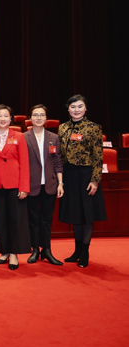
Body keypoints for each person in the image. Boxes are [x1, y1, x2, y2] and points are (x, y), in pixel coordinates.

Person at [58, 94, 106, 268]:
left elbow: (98, 156)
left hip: (86, 175)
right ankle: (77, 251)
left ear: (85, 108)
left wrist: (95, 180)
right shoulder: (63, 127)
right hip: (69, 175)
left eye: (80, 106)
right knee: (75, 214)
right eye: (73, 107)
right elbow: (59, 154)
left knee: (87, 215)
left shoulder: (93, 128)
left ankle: (85, 252)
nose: (76, 110)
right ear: (68, 109)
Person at [0, 104, 31, 270]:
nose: (2, 119)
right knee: (0, 220)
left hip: (14, 184)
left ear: (11, 118)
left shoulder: (19, 137)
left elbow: (24, 162)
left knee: (15, 220)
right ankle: (4, 250)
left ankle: (14, 253)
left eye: (6, 116)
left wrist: (24, 187)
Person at [24, 104, 64, 265]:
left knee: (46, 220)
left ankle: (46, 250)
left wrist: (60, 183)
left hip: (50, 184)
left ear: (46, 118)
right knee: (33, 219)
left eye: (42, 115)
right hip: (31, 185)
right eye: (35, 115)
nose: (38, 118)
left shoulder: (54, 138)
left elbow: (58, 161)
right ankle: (35, 250)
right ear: (30, 118)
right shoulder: (24, 137)